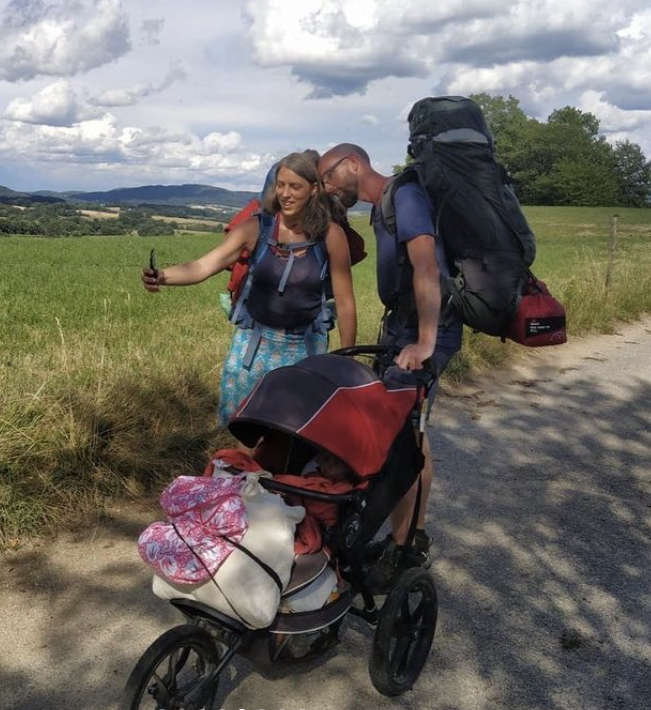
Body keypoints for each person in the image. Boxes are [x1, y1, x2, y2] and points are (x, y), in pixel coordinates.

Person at [317, 142, 463, 574]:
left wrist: (425, 341)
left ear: (353, 164)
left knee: (408, 434)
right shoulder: (384, 206)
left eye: (328, 177)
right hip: (401, 325)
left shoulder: (405, 196)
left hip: (423, 328)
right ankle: (404, 533)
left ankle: (407, 543)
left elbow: (426, 267)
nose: (326, 187)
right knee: (403, 431)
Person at [143, 149, 357, 425]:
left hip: (305, 350)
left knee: (297, 434)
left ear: (314, 190)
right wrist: (162, 276)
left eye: (295, 186)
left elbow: (345, 303)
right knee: (244, 429)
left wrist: (345, 363)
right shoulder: (256, 229)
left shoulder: (331, 236)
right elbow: (203, 266)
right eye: (280, 185)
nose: (286, 194)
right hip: (254, 347)